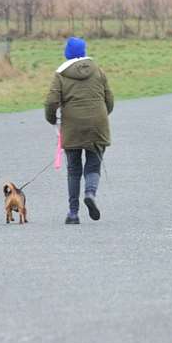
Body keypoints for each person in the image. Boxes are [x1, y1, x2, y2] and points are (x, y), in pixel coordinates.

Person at [45, 36, 113, 225]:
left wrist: (52, 120)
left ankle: (73, 213)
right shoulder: (98, 71)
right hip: (97, 124)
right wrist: (101, 115)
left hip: (72, 126)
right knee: (93, 164)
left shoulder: (60, 75)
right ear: (83, 51)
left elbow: (51, 102)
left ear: (67, 52)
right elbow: (110, 100)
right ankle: (90, 193)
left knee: (74, 170)